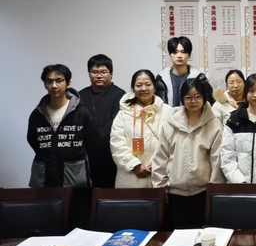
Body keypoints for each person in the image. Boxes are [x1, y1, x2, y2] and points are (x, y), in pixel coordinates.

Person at [152, 74, 222, 229]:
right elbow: (160, 157)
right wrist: (160, 187)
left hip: (203, 192)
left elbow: (217, 161)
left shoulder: (214, 124)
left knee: (202, 235)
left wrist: (214, 191)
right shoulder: (170, 124)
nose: (193, 101)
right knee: (178, 236)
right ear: (182, 99)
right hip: (174, 194)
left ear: (204, 97)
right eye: (188, 97)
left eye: (197, 96)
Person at [27, 64, 93, 188]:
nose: (54, 85)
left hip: (74, 179)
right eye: (49, 81)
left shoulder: (81, 112)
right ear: (45, 84)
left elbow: (91, 142)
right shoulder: (37, 114)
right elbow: (33, 141)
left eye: (59, 81)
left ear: (68, 83)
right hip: (44, 178)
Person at [110, 70, 171, 188]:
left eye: (148, 84)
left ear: (154, 87)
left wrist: (157, 163)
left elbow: (173, 143)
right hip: (130, 178)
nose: (143, 88)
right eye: (138, 85)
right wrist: (135, 165)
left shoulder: (168, 112)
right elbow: (117, 144)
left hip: (159, 176)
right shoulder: (123, 114)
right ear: (133, 89)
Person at [79, 54, 125, 188]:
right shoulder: (80, 96)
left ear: (111, 74)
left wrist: (95, 138)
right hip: (85, 155)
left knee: (109, 193)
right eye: (94, 72)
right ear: (89, 74)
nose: (99, 76)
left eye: (103, 72)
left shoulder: (120, 95)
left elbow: (115, 124)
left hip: (110, 154)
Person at [156, 36, 203, 107]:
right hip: (168, 114)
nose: (179, 56)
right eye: (175, 52)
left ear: (189, 55)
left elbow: (207, 103)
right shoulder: (161, 78)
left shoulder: (199, 77)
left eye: (183, 52)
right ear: (170, 55)